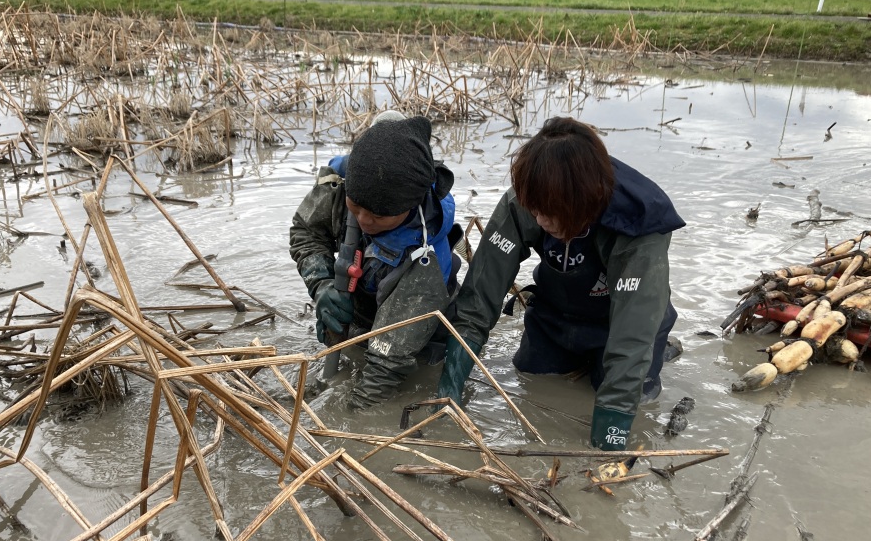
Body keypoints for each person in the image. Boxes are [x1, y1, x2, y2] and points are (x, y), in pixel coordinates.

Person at [437, 116, 684, 451]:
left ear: (587, 201)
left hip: (619, 323)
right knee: (531, 377)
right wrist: (449, 389)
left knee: (631, 395)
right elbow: (481, 293)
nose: (539, 220)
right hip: (556, 316)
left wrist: (607, 441)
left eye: (551, 213)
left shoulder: (640, 223)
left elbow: (632, 336)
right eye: (535, 210)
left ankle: (662, 350)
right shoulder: (531, 197)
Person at [289, 112, 461, 408]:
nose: (364, 221)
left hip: (419, 339)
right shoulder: (346, 180)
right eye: (355, 208)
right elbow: (306, 231)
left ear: (408, 207)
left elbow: (384, 367)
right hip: (367, 307)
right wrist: (323, 286)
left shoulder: (427, 261)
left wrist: (348, 417)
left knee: (395, 381)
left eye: (379, 216)